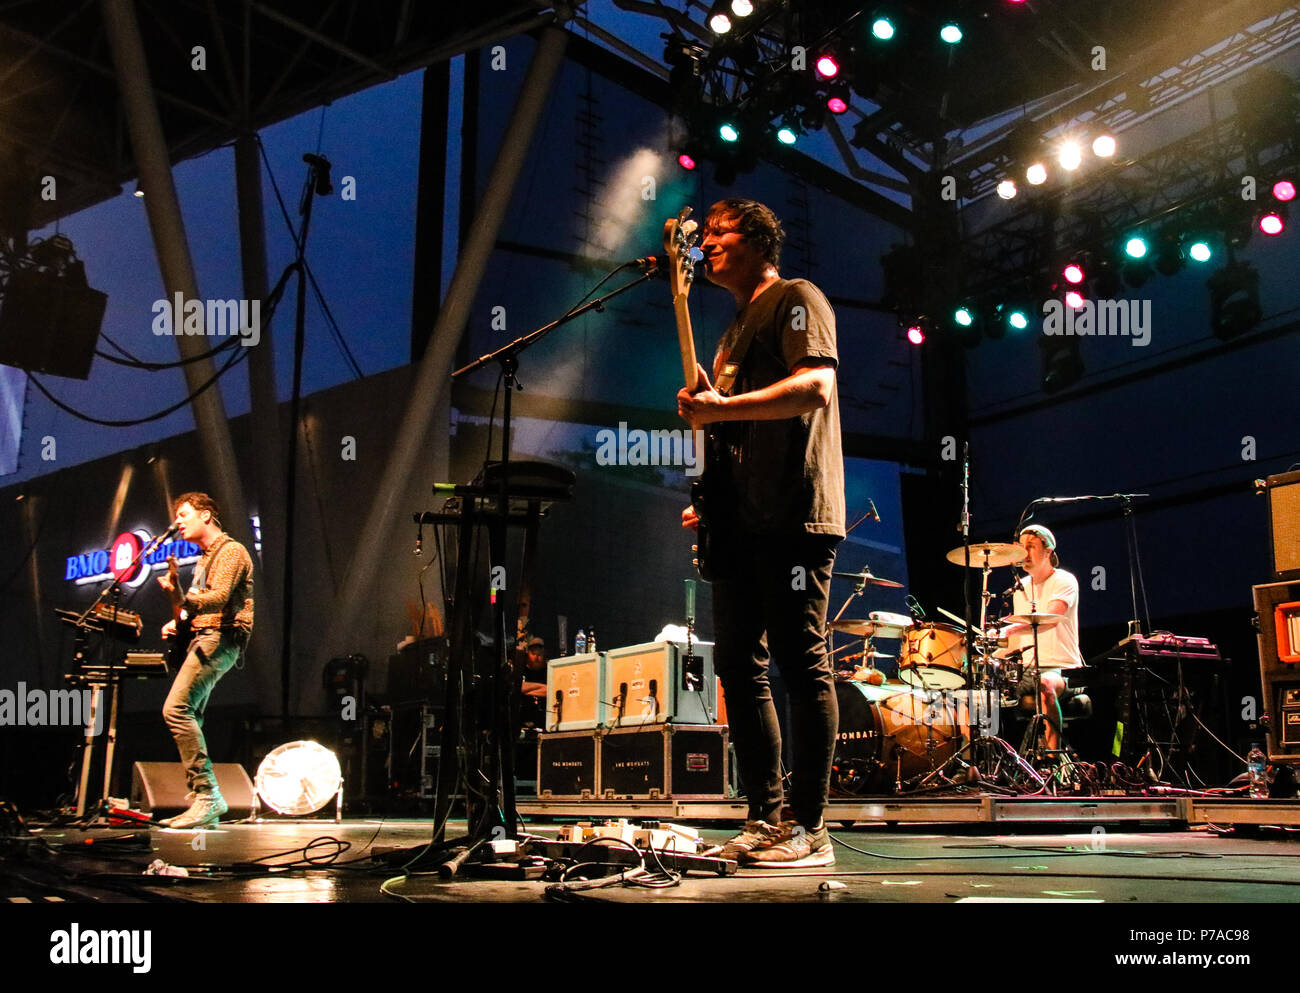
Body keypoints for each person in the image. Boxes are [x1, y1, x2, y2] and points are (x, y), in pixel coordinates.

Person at [677, 198, 844, 867]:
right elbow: (727, 427)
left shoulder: (795, 299)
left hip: (794, 515)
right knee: (738, 668)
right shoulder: (733, 330)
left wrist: (721, 407)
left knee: (801, 665)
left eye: (716, 234)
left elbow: (816, 389)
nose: (706, 245)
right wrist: (714, 497)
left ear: (753, 239)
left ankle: (810, 827)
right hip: (742, 524)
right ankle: (764, 816)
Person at [156, 492, 254, 829]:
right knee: (190, 713)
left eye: (184, 514)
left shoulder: (232, 551)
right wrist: (175, 601)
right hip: (205, 637)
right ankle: (205, 802)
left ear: (207, 515)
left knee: (176, 709)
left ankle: (207, 794)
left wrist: (185, 602)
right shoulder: (203, 559)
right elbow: (191, 610)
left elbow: (219, 598)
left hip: (221, 638)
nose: (178, 521)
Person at [999, 524, 1083, 753]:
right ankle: (979, 762)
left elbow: (1049, 618)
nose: (1024, 553)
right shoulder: (1020, 588)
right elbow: (1022, 637)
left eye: (1031, 547)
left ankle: (1051, 758)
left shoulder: (1065, 581)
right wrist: (994, 646)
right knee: (980, 693)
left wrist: (1011, 629)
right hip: (1027, 669)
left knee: (1045, 685)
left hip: (1061, 668)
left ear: (1048, 551)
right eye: (1021, 547)